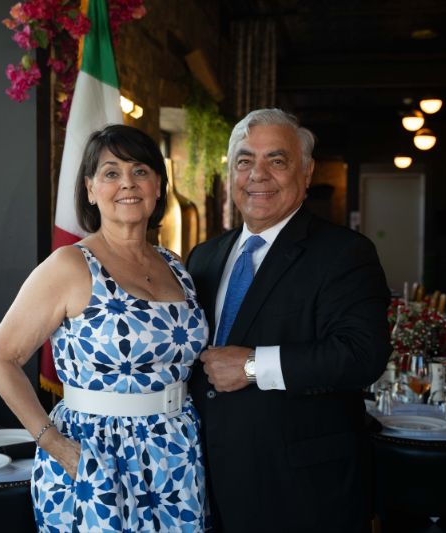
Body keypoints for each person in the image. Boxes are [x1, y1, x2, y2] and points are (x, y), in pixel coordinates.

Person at [0, 125, 208, 532]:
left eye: (140, 171)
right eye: (111, 172)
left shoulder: (176, 265)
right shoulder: (70, 265)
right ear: (90, 189)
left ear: (158, 185)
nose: (128, 183)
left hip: (175, 454)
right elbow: (1, 358)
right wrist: (52, 443)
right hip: (96, 456)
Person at [186, 108, 391, 532]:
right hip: (206, 485)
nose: (257, 175)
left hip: (302, 492)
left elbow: (362, 355)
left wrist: (251, 366)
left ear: (307, 172)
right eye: (245, 161)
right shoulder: (203, 257)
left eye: (276, 160)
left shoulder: (344, 253)